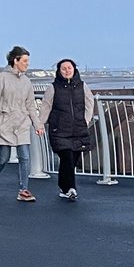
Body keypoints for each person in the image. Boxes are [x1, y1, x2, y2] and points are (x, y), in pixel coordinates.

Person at [0, 46, 41, 202]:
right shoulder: (0, 78)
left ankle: (23, 190)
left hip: (22, 123)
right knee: (3, 158)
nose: (27, 64)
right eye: (25, 61)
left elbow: (31, 104)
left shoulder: (26, 81)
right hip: (4, 123)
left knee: (24, 156)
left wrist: (38, 125)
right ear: (15, 60)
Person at [38, 58, 95, 201]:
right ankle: (71, 189)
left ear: (74, 69)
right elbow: (46, 106)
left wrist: (86, 119)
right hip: (59, 130)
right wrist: (40, 124)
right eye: (63, 68)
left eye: (69, 68)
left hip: (78, 130)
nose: (67, 71)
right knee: (67, 157)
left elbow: (90, 102)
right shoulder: (53, 88)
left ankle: (64, 187)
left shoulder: (82, 86)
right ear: (59, 71)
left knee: (72, 160)